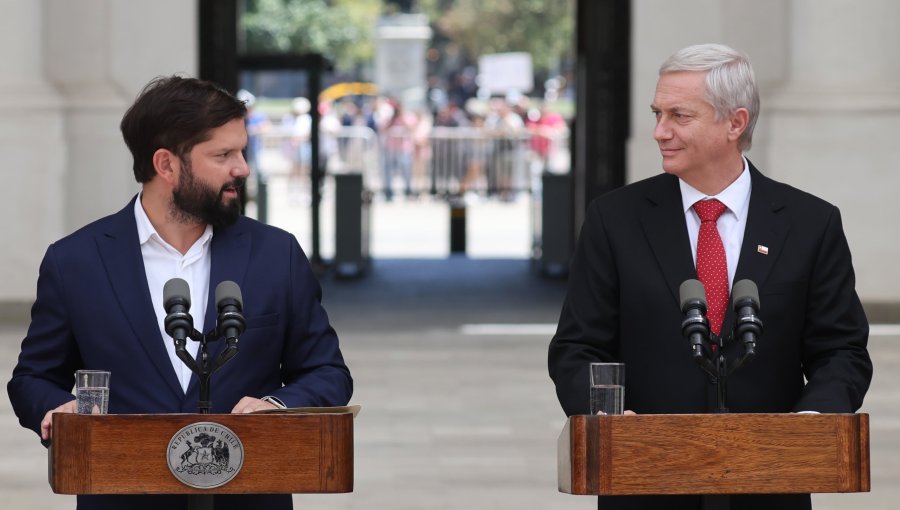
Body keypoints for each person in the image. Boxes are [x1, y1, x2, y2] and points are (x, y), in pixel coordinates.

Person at [548, 44, 872, 510]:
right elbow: (576, 348)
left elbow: (841, 349)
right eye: (658, 114)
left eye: (679, 116)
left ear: (735, 123)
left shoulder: (810, 223)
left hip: (768, 484)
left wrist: (810, 422)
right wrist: (613, 420)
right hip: (647, 482)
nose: (660, 131)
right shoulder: (613, 220)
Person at [7, 75, 352, 510]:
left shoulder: (275, 254)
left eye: (241, 152)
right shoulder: (75, 261)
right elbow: (32, 378)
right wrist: (59, 408)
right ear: (166, 165)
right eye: (223, 155)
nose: (242, 168)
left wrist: (277, 405)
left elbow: (328, 372)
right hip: (123, 495)